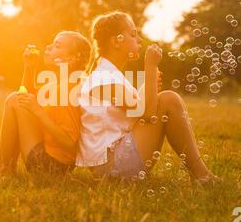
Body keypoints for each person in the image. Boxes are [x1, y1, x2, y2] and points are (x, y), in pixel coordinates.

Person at [76, 11, 219, 183]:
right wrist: (150, 67)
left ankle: (201, 174)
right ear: (116, 42)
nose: (139, 40)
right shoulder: (102, 79)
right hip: (112, 167)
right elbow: (148, 113)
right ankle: (202, 175)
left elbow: (139, 109)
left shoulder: (110, 75)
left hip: (115, 160)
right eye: (133, 34)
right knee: (169, 99)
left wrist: (148, 86)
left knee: (165, 98)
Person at [0, 31, 92, 177]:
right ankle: (5, 168)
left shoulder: (67, 89)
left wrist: (38, 111)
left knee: (14, 99)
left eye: (57, 46)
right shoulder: (58, 84)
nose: (49, 47)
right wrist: (29, 67)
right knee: (16, 99)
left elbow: (70, 143)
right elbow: (26, 96)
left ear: (71, 59)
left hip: (51, 166)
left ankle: (3, 169)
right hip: (50, 160)